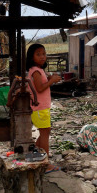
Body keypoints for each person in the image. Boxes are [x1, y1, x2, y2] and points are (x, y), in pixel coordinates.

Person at [26, 43, 61, 173]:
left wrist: (50, 78)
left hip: (41, 108)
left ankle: (36, 155)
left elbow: (41, 84)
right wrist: (51, 81)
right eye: (38, 54)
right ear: (31, 57)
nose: (42, 57)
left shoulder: (38, 70)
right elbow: (40, 88)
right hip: (39, 108)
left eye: (44, 54)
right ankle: (45, 164)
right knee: (45, 134)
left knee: (45, 132)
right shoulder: (35, 71)